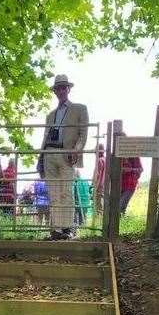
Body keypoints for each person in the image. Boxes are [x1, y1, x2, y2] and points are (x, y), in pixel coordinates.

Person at [37, 74, 89, 240]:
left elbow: (83, 134)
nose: (60, 90)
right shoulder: (50, 115)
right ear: (55, 91)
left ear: (69, 89)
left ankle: (67, 229)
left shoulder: (80, 108)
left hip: (67, 154)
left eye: (63, 87)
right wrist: (40, 158)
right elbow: (45, 138)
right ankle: (56, 230)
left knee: (66, 191)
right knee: (53, 192)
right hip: (49, 154)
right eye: (58, 88)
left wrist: (76, 150)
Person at [120, 137, 143, 214]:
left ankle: (121, 224)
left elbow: (140, 169)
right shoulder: (117, 153)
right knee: (116, 208)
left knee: (120, 208)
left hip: (129, 185)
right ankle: (121, 224)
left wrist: (131, 171)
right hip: (118, 185)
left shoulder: (134, 154)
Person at [92, 143, 105, 214]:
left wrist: (95, 188)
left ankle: (98, 222)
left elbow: (97, 176)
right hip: (104, 187)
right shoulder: (105, 160)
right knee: (102, 206)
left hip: (99, 187)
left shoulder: (99, 161)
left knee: (98, 207)